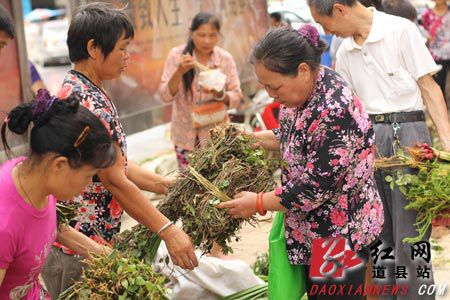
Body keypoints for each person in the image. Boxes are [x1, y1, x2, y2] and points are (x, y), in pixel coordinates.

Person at [41, 3, 198, 299]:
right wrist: (168, 230)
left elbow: (113, 166)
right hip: (79, 248)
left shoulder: (80, 87)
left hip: (88, 244)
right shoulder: (89, 103)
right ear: (94, 48)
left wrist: (166, 185)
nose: (128, 56)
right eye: (122, 48)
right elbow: (114, 180)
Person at [219, 25, 384, 300]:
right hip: (314, 230)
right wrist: (253, 139)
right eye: (265, 86)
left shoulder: (333, 109)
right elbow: (296, 135)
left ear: (303, 70)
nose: (270, 94)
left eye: (274, 86)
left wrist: (257, 202)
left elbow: (314, 187)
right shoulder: (304, 92)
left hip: (338, 233)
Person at [307, 0, 450, 298]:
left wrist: (448, 149)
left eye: (324, 22)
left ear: (339, 9)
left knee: (411, 234)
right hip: (368, 141)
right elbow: (349, 109)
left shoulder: (400, 30)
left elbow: (429, 87)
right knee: (377, 232)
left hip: (408, 136)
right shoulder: (343, 50)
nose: (326, 30)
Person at [0, 90, 114, 299]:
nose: (89, 183)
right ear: (59, 165)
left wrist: (103, 255)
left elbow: (44, 224)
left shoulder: (31, 177)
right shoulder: (4, 226)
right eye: (89, 175)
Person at [158, 12, 242, 169]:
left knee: (218, 180)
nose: (207, 41)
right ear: (191, 33)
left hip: (217, 135)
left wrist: (220, 94)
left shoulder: (225, 59)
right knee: (190, 183)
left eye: (212, 35)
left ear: (218, 35)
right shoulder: (177, 56)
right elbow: (164, 95)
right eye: (201, 35)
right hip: (184, 134)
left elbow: (237, 95)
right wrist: (179, 72)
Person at [422, 0, 450, 103]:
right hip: (436, 55)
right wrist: (427, 36)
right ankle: (442, 106)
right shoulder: (427, 14)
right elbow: (423, 30)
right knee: (439, 83)